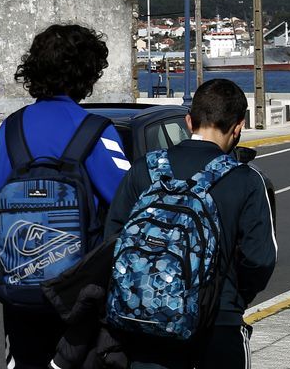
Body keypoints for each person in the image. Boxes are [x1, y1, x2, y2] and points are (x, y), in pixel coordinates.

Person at [105, 78, 277, 369]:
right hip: (218, 324)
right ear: (238, 126)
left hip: (145, 322)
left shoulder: (145, 169)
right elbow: (259, 259)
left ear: (188, 121)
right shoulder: (246, 180)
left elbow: (112, 238)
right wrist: (233, 298)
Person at [0, 23, 131, 369]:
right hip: (80, 297)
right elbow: (128, 202)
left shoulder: (9, 128)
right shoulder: (97, 130)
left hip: (19, 292)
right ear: (88, 74)